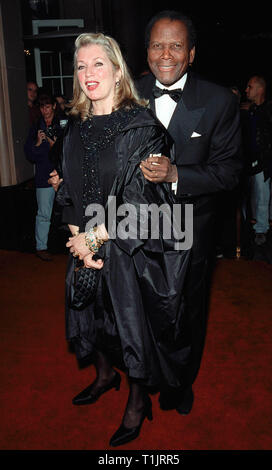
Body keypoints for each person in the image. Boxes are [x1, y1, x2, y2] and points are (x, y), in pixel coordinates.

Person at [50, 32, 191, 447]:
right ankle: (105, 376)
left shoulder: (142, 127)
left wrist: (94, 239)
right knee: (91, 317)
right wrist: (79, 242)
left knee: (131, 328)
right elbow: (70, 188)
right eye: (81, 66)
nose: (88, 73)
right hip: (85, 243)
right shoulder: (75, 127)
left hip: (128, 247)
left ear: (116, 71)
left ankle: (136, 402)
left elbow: (149, 200)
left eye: (98, 64)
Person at [136, 10, 242, 415]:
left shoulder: (218, 101)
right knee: (141, 307)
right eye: (157, 45)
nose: (166, 53)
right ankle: (143, 378)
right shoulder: (127, 93)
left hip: (190, 226)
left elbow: (230, 172)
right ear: (146, 51)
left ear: (192, 53)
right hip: (137, 225)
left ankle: (179, 382)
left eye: (176, 45)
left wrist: (179, 174)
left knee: (185, 311)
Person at [25, 93, 63, 261]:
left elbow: (67, 151)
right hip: (43, 176)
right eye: (42, 107)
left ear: (54, 106)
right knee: (44, 214)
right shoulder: (36, 127)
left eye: (47, 106)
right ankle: (41, 247)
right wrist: (40, 143)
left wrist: (54, 145)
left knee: (70, 210)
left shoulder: (63, 123)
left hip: (62, 175)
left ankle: (74, 244)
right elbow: (30, 154)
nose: (45, 110)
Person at [241, 75, 272, 245]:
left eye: (250, 87)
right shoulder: (252, 110)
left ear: (260, 89)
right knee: (260, 194)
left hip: (266, 160)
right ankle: (260, 226)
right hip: (255, 160)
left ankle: (262, 229)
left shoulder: (271, 109)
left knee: (264, 194)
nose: (246, 90)